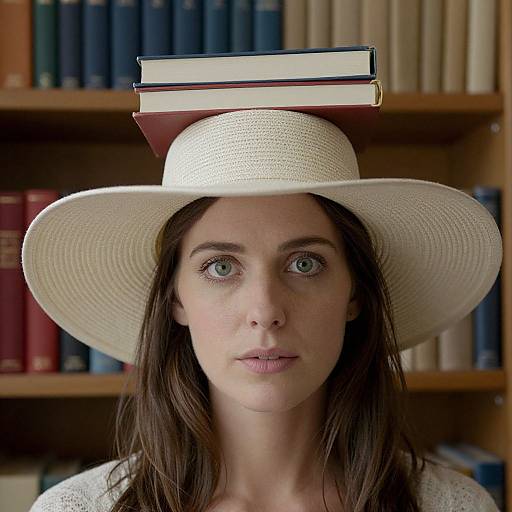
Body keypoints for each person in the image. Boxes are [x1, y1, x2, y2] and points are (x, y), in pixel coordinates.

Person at [23, 109, 502, 512]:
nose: (265, 311)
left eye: (304, 263)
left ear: (355, 294)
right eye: (220, 267)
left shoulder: (453, 505)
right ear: (175, 299)